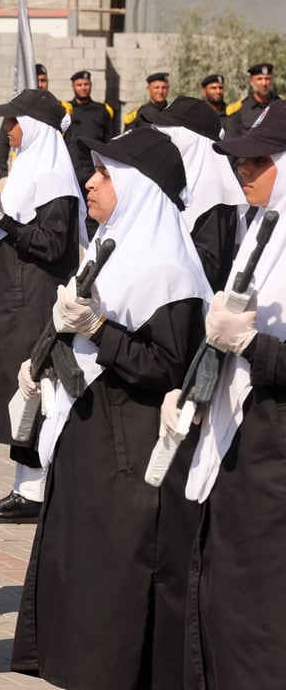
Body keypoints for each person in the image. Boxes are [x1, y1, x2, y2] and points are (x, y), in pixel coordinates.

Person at [11, 127, 210, 689]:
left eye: (103, 175)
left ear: (139, 186)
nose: (89, 184)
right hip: (95, 450)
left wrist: (100, 328)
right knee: (83, 584)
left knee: (119, 597)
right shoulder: (112, 247)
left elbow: (168, 366)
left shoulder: (166, 268)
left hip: (133, 463)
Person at [179, 101, 286, 689]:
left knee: (262, 615)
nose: (243, 171)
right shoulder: (263, 234)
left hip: (275, 460)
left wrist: (252, 346)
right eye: (239, 161)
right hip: (239, 449)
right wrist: (193, 394)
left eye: (258, 160)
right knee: (228, 600)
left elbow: (249, 341)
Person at [0, 89, 87, 524]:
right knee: (19, 392)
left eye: (13, 121)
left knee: (35, 389)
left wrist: (4, 221)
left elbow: (54, 244)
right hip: (15, 297)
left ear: (35, 126)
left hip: (34, 298)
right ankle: (25, 487)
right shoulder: (30, 168)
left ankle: (36, 493)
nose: (8, 129)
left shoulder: (53, 176)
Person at [143, 96, 247, 291]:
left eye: (168, 139)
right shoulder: (177, 182)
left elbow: (208, 269)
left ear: (190, 142)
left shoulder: (214, 195)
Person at [0, 63, 49, 179]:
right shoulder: (17, 108)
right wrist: (3, 174)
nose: (40, 84)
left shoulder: (53, 108)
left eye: (43, 80)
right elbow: (3, 143)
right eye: (36, 80)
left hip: (46, 170)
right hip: (22, 169)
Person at [61, 69, 114, 189]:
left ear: (91, 85)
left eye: (86, 84)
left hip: (95, 168)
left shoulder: (103, 110)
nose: (83, 88)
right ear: (73, 87)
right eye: (79, 85)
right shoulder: (66, 110)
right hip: (72, 168)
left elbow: (110, 141)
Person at [224, 63, 279, 139]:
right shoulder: (239, 109)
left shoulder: (281, 106)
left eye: (267, 78)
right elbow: (230, 141)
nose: (264, 83)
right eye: (259, 79)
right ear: (251, 81)